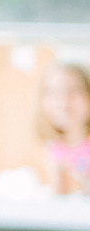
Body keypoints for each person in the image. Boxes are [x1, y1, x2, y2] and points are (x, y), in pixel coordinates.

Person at [39, 61, 90, 194]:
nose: (64, 100)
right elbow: (59, 199)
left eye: (74, 90)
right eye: (55, 92)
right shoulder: (52, 149)